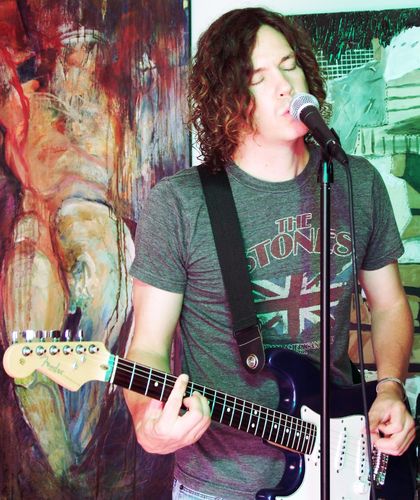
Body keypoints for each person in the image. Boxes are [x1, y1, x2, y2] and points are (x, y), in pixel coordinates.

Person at [124, 7, 416, 499]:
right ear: (227, 100)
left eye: (289, 65)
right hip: (218, 484)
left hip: (347, 466)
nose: (285, 85)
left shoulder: (357, 182)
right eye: (259, 78)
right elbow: (148, 346)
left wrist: (389, 388)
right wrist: (145, 419)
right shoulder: (180, 203)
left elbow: (388, 305)